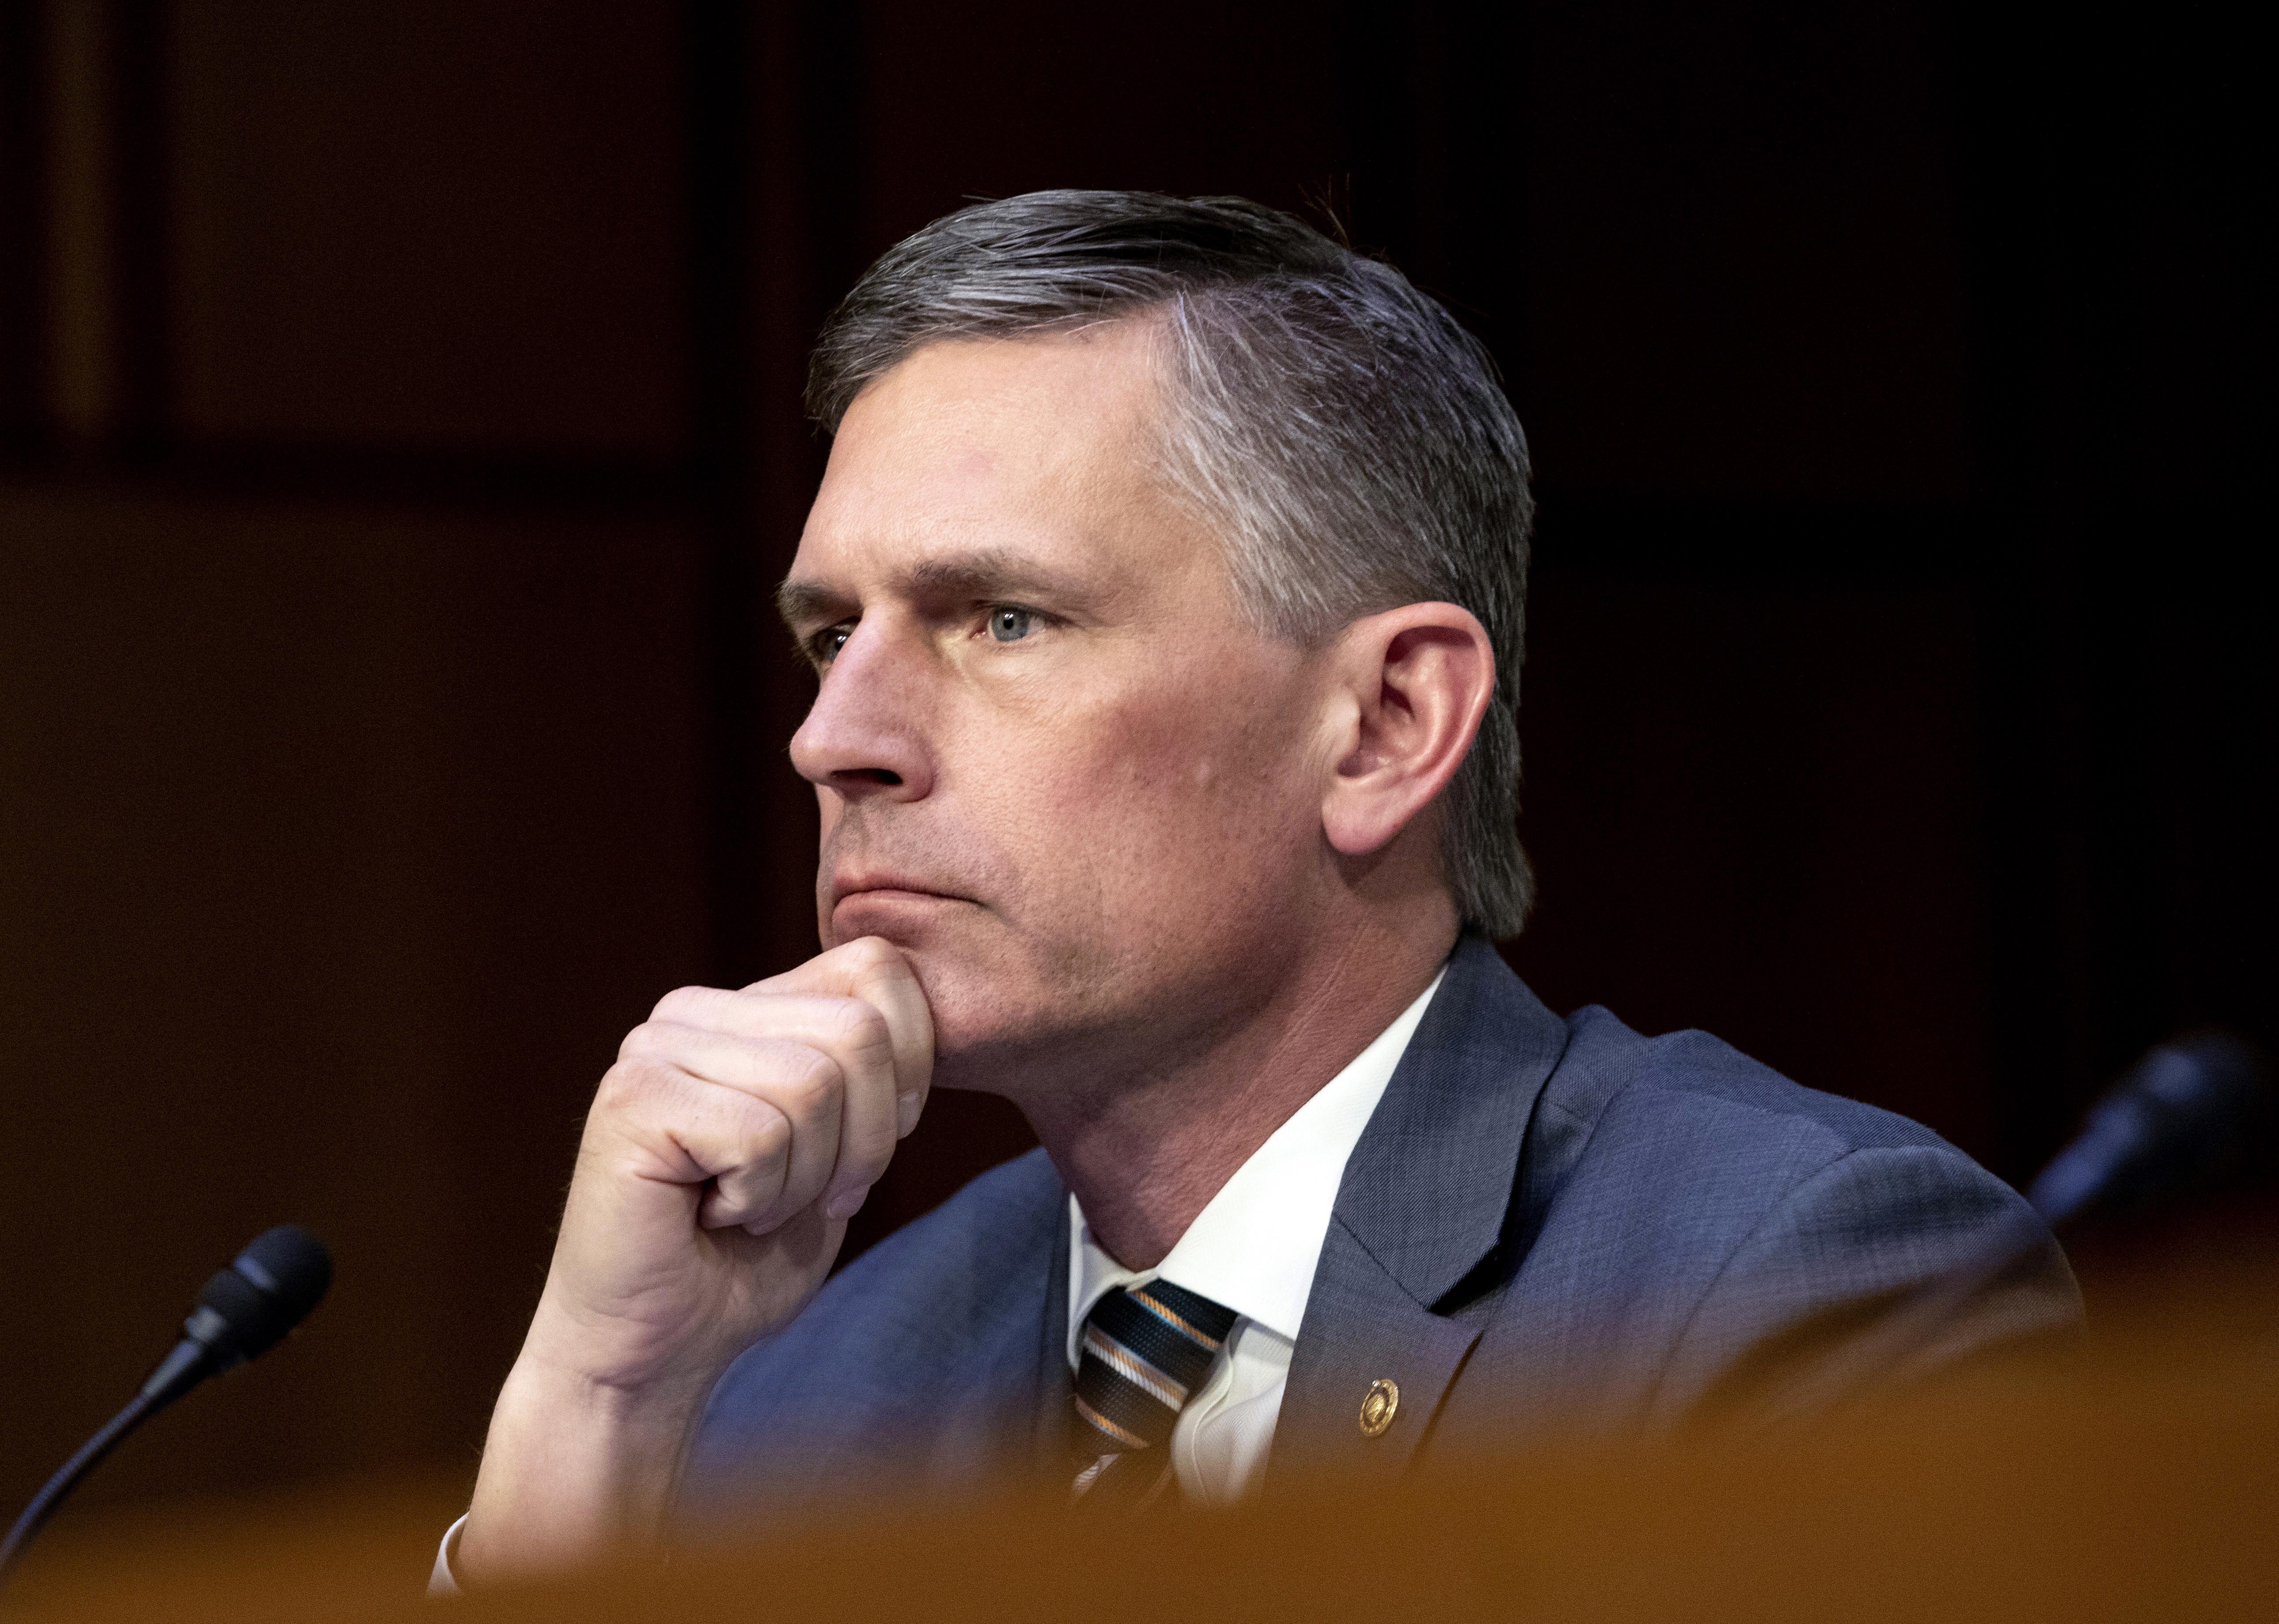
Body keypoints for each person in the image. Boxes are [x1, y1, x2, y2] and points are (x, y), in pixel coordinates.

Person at [439, 191, 2077, 1587]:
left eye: (1002, 618)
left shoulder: (1787, 1291)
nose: (832, 737)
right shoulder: (807, 1386)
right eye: (828, 634)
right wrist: (597, 1405)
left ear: (1383, 724)